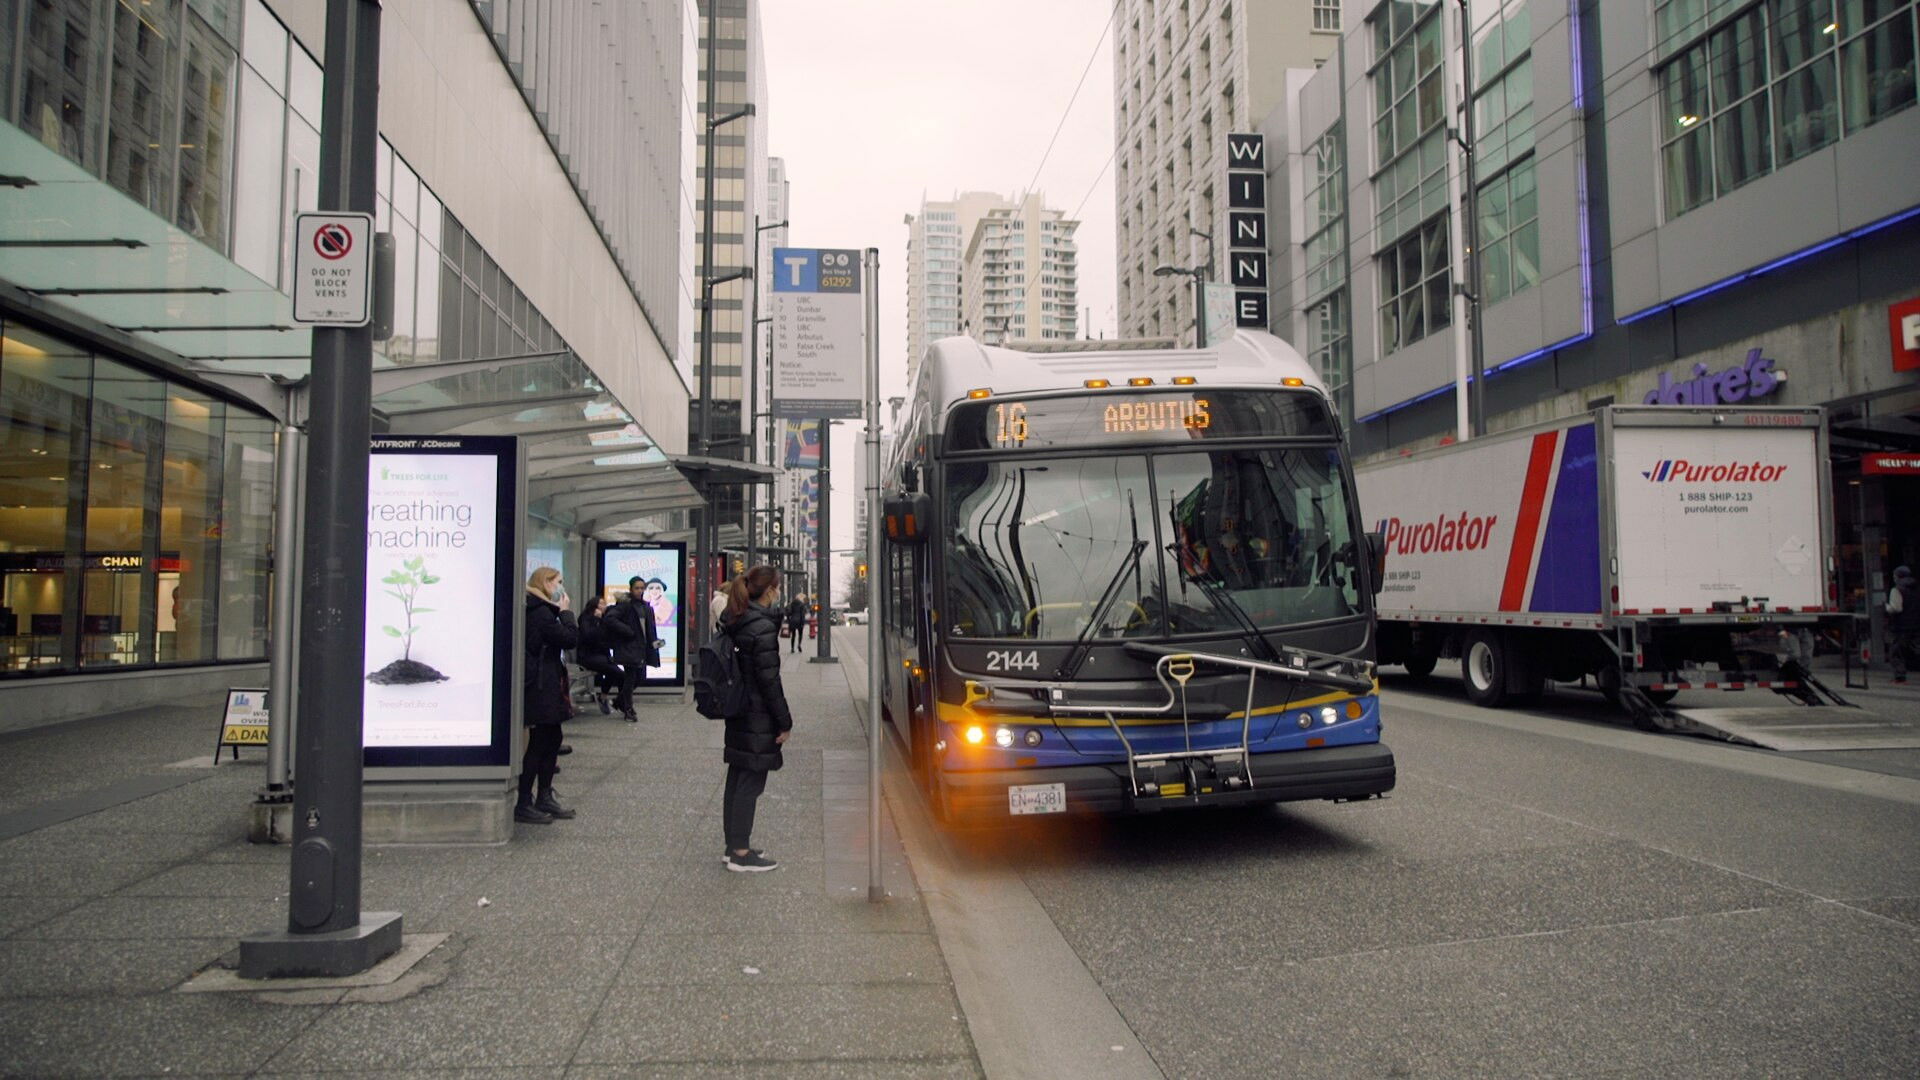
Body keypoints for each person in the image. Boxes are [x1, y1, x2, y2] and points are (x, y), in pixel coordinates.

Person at [716, 564, 792, 872]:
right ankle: (741, 853)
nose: (779, 593)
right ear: (770, 591)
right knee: (749, 782)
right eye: (778, 587)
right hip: (757, 714)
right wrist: (784, 721)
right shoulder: (760, 628)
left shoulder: (738, 619)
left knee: (737, 778)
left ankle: (732, 845)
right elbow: (769, 681)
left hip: (739, 710)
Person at [520, 567, 579, 824]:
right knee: (540, 741)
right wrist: (566, 613)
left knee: (551, 737)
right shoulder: (541, 612)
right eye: (558, 582)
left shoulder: (538, 609)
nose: (561, 588)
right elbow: (569, 638)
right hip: (542, 685)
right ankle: (525, 800)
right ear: (545, 583)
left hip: (546, 682)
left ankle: (543, 794)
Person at [606, 578, 661, 721]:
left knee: (640, 678)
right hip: (629, 646)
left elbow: (650, 628)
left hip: (641, 647)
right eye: (637, 588)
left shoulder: (646, 607)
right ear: (631, 589)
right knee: (631, 678)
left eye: (642, 588)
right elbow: (610, 619)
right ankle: (628, 709)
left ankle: (619, 701)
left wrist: (654, 643)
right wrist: (627, 631)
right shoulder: (625, 605)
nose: (640, 591)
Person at [575, 595, 627, 714]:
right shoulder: (586, 618)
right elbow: (589, 636)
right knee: (617, 673)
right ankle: (617, 701)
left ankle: (610, 698)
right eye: (602, 604)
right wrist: (597, 620)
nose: (605, 606)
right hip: (588, 656)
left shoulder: (603, 619)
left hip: (601, 656)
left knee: (617, 673)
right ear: (594, 606)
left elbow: (605, 637)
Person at [1889, 565, 1919, 685]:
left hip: (1901, 625)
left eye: (1894, 575)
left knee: (1897, 651)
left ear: (1897, 576)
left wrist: (1887, 608)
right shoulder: (1916, 588)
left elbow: (1896, 608)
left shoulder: (1897, 589)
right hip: (1916, 624)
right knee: (1916, 649)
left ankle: (1900, 677)